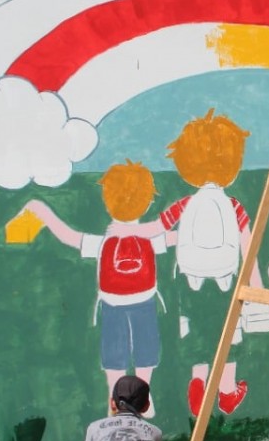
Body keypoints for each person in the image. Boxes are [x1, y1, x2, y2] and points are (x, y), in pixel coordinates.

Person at [21, 162, 175, 417]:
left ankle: (114, 403)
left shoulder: (104, 241)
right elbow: (174, 237)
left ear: (107, 201)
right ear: (147, 202)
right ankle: (143, 397)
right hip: (143, 303)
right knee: (144, 351)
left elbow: (69, 236)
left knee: (115, 355)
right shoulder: (148, 237)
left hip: (112, 305)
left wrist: (43, 213)